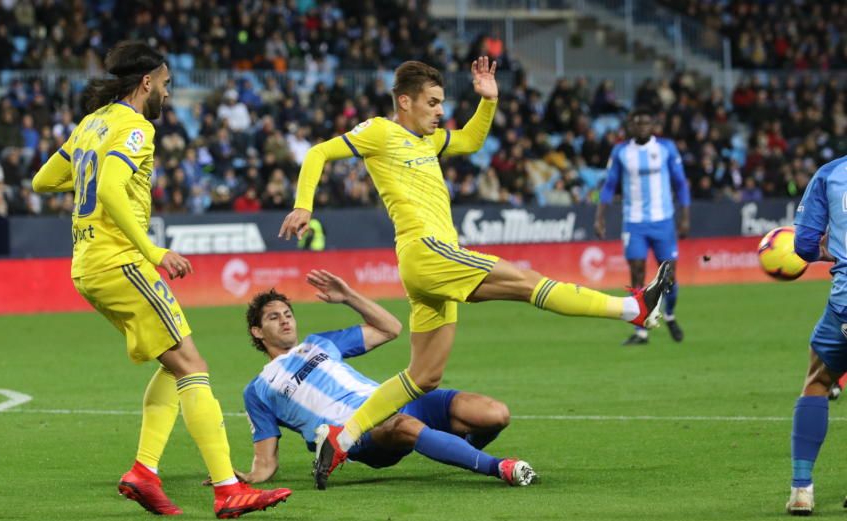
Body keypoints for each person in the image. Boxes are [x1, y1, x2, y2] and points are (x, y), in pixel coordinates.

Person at [279, 58, 673, 488]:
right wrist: (304, 204)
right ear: (404, 101)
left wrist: (489, 100)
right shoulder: (379, 130)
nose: (439, 111)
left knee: (424, 376)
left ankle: (342, 437)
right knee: (526, 282)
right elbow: (319, 152)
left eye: (442, 102)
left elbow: (469, 140)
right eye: (432, 103)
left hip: (429, 264)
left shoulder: (427, 141)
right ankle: (631, 307)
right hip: (428, 252)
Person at [31, 40, 291, 519]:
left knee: (174, 365)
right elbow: (109, 187)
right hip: (121, 261)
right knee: (193, 364)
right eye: (166, 84)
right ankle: (228, 487)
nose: (168, 94)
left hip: (86, 266)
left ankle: (145, 472)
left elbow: (43, 181)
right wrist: (152, 249)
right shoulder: (134, 126)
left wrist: (86, 179)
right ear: (147, 81)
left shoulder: (91, 124)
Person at [242, 272, 536, 489]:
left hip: (393, 401)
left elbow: (390, 328)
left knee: (496, 414)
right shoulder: (258, 390)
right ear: (257, 332)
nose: (285, 320)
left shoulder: (319, 343)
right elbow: (266, 460)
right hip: (357, 432)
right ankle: (499, 468)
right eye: (273, 317)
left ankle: (452, 450)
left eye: (288, 314)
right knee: (405, 427)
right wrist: (246, 477)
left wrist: (349, 297)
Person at [594, 107, 690, 345]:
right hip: (634, 222)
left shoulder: (666, 148)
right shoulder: (621, 151)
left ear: (653, 124)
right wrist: (600, 216)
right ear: (630, 126)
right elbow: (609, 185)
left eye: (646, 123)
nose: (641, 127)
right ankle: (641, 330)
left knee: (669, 274)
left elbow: (680, 183)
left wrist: (685, 216)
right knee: (636, 271)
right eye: (637, 123)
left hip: (663, 220)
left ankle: (669, 314)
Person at [784, 155, 843, 516]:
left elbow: (804, 245)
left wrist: (823, 251)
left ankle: (801, 489)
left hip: (845, 304)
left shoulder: (831, 174)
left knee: (818, 381)